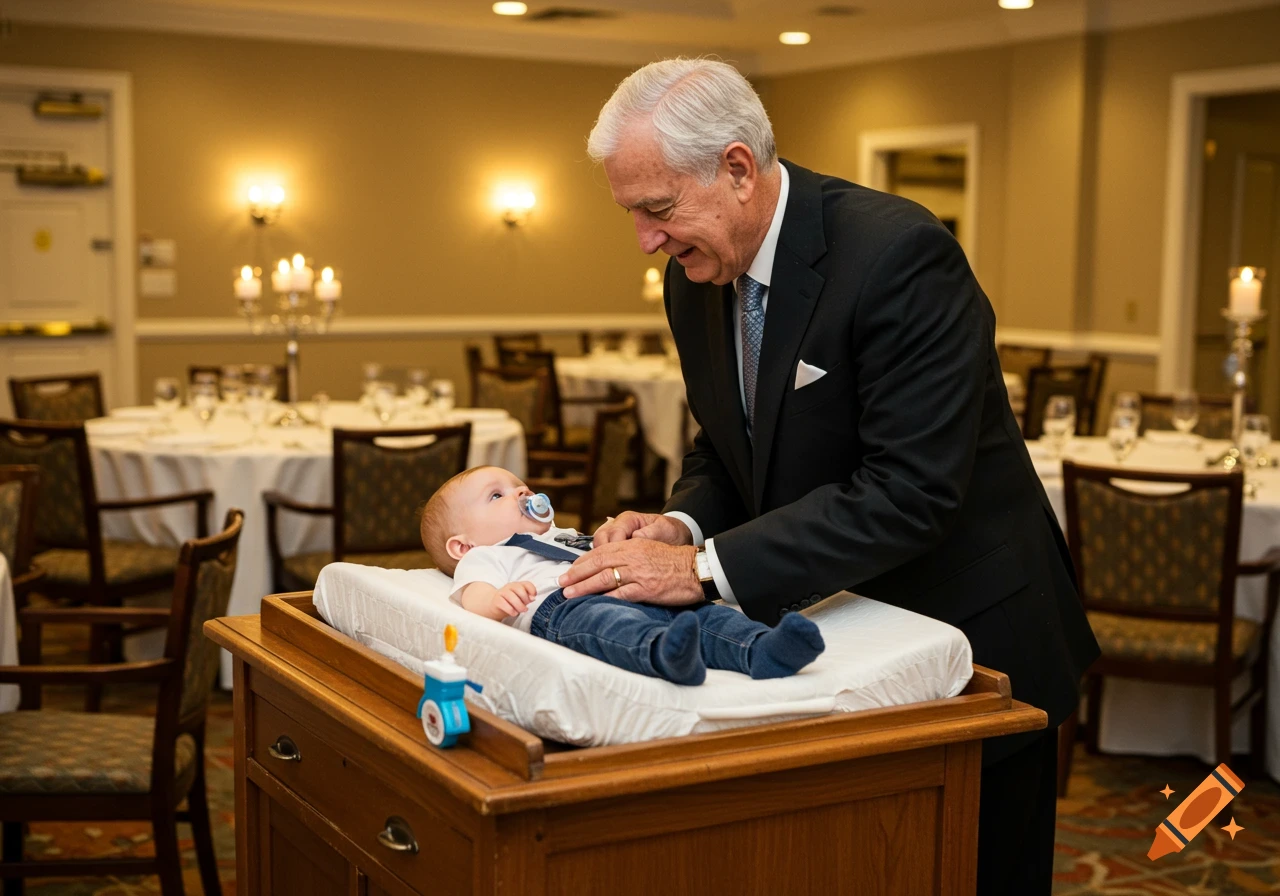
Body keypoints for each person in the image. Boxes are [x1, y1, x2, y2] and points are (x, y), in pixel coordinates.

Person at [557, 58, 1100, 895]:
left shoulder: (898, 255)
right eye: (631, 214)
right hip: (839, 635)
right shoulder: (694, 276)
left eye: (658, 210)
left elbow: (909, 490)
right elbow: (727, 447)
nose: (647, 241)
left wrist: (699, 572)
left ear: (737, 169)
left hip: (973, 647)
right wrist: (681, 525)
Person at [418, 465, 825, 685]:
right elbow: (472, 596)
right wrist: (497, 601)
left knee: (704, 611)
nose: (521, 494)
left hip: (629, 586)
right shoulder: (486, 555)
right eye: (497, 495)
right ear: (462, 544)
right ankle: (663, 653)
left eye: (519, 485)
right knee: (611, 625)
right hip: (564, 607)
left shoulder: (562, 535)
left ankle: (761, 648)